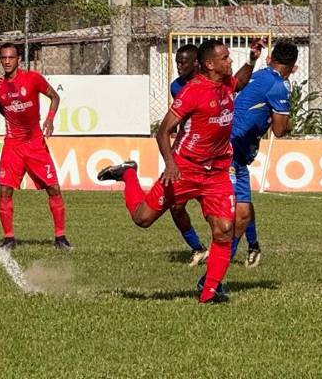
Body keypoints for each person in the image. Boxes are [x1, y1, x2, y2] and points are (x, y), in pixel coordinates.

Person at [97, 38, 264, 303]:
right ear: (210, 64)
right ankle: (129, 173)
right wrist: (171, 164)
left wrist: (252, 59)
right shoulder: (193, 91)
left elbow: (241, 82)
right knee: (143, 219)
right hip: (185, 169)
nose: (230, 61)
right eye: (225, 58)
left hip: (218, 171)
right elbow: (163, 131)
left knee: (223, 229)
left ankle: (208, 293)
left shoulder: (226, 83)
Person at [0, 43, 71, 251]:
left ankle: (60, 237)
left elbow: (54, 97)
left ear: (18, 58)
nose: (7, 61)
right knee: (5, 191)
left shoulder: (32, 79)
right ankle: (9, 238)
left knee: (54, 188)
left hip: (35, 144)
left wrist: (49, 120)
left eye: (10, 57)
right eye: (3, 58)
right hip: (13, 146)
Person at [230, 41, 298, 268]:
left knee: (242, 204)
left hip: (234, 148)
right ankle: (231, 253)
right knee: (239, 207)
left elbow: (238, 88)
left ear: (271, 59)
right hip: (229, 148)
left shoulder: (259, 74)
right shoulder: (279, 86)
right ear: (294, 66)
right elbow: (279, 130)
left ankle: (243, 249)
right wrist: (289, 124)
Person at [168, 43, 209, 266]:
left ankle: (230, 248)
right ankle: (197, 247)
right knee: (175, 205)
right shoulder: (177, 87)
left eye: (183, 62)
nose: (179, 66)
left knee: (214, 208)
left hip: (211, 154)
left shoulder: (211, 82)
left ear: (196, 63)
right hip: (186, 152)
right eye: (177, 62)